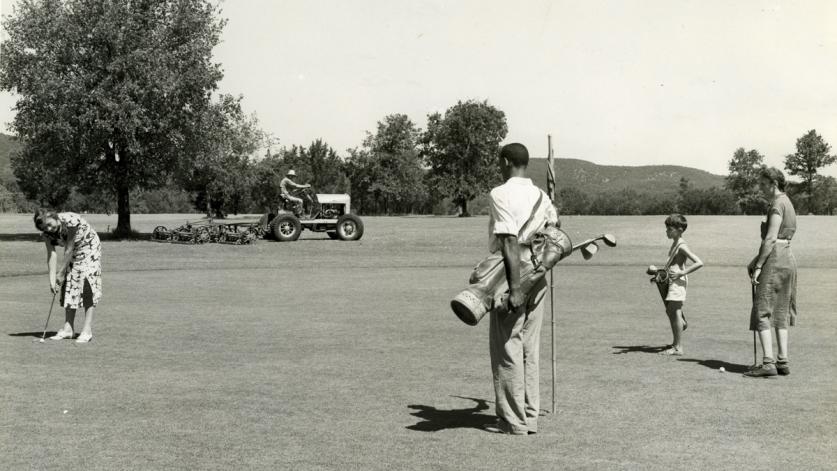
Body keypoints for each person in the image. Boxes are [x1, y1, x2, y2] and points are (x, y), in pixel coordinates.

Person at [484, 143, 558, 435]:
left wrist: (514, 288)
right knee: (529, 347)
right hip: (539, 273)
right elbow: (556, 229)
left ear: (505, 161)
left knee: (507, 346)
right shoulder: (542, 194)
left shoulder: (499, 193)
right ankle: (530, 415)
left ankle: (513, 421)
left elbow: (509, 241)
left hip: (510, 275)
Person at [745, 166, 797, 377]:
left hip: (775, 258)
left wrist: (758, 266)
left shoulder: (777, 204)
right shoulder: (788, 202)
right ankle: (782, 361)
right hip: (787, 257)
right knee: (781, 310)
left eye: (763, 184)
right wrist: (755, 260)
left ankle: (768, 363)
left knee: (762, 310)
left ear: (773, 184)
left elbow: (771, 239)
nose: (761, 188)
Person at [34, 209, 102, 343]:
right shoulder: (47, 234)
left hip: (89, 249)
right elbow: (51, 255)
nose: (49, 228)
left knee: (87, 286)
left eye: (49, 224)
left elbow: (69, 249)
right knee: (70, 284)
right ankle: (68, 329)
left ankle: (87, 330)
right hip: (72, 252)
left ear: (53, 217)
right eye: (45, 227)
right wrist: (52, 280)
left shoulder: (70, 221)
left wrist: (61, 273)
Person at [656, 214, 703, 356]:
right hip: (672, 280)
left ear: (680, 229)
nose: (667, 232)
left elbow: (699, 262)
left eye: (669, 229)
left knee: (674, 312)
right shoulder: (676, 243)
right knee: (670, 311)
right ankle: (679, 332)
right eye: (666, 229)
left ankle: (678, 347)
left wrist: (681, 274)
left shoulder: (682, 245)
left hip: (677, 282)